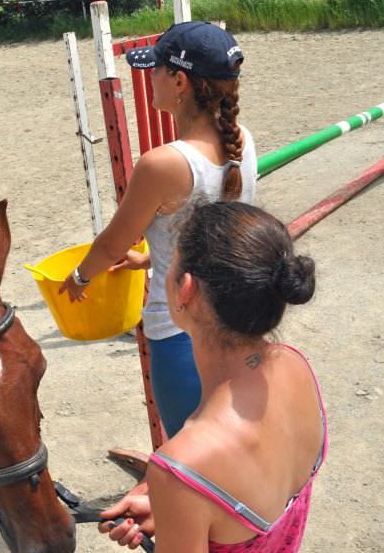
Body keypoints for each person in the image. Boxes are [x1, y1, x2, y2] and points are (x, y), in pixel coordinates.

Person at [59, 21, 255, 438]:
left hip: (181, 332)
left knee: (188, 454)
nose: (150, 78)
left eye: (156, 69)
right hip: (238, 319)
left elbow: (113, 241)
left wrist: (79, 277)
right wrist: (152, 257)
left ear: (179, 80)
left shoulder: (163, 163)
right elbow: (215, 231)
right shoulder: (242, 140)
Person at [100, 201, 324, 552]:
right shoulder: (296, 365)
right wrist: (179, 511)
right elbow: (255, 493)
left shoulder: (183, 465)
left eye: (168, 264)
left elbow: (206, 481)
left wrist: (178, 497)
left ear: (185, 289)